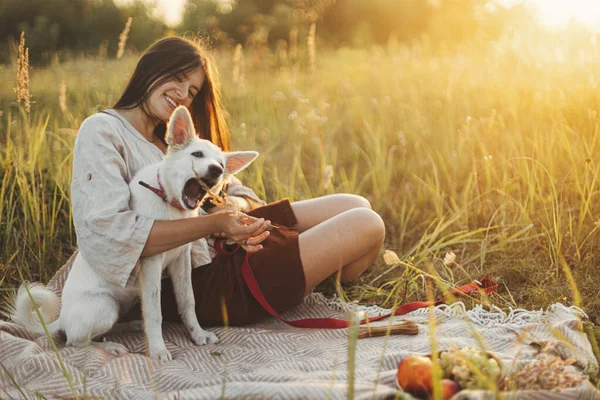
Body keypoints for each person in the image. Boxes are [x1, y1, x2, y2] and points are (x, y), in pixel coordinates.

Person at [54, 36, 385, 328]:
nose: (183, 95)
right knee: (366, 224)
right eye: (178, 79)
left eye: (192, 91)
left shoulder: (171, 134)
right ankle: (293, 274)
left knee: (354, 205)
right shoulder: (103, 131)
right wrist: (215, 224)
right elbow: (111, 233)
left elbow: (233, 188)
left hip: (222, 242)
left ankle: (302, 278)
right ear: (150, 68)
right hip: (194, 280)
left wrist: (234, 207)